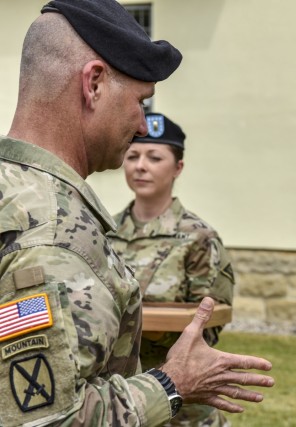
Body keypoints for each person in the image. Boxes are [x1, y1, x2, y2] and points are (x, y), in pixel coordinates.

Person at [0, 1, 273, 426]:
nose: (142, 126)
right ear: (93, 84)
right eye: (139, 101)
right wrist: (171, 383)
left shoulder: (13, 190)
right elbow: (50, 419)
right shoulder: (53, 233)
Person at [108, 112, 235, 427]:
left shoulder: (199, 238)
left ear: (178, 167)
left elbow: (210, 323)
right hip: (117, 396)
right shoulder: (103, 231)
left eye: (154, 157)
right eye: (133, 155)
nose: (141, 166)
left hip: (183, 400)